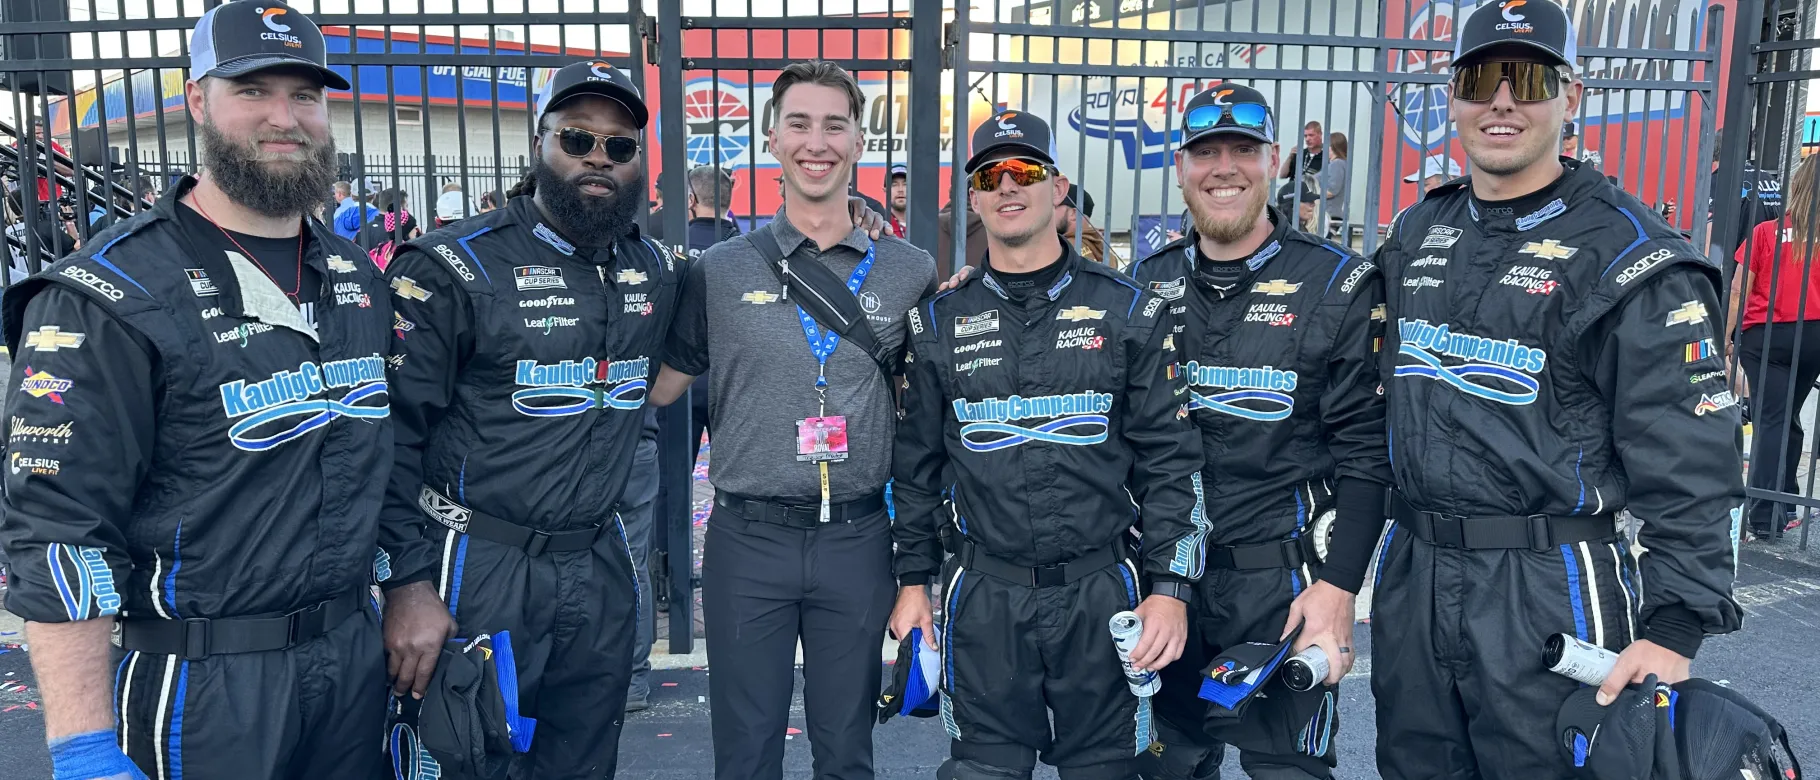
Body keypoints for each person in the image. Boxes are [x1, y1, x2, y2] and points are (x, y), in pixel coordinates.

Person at [0, 3, 394, 777]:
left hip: (351, 667)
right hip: (202, 685)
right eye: (253, 90)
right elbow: (56, 530)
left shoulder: (357, 278)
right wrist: (81, 745)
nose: (285, 118)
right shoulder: (105, 293)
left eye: (305, 95)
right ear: (196, 101)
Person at [1370, 4, 1744, 779]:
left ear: (1572, 95)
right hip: (1414, 574)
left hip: (1548, 586)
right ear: (1453, 95)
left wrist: (1673, 629)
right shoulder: (1417, 232)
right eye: (1481, 79)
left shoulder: (1632, 255)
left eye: (1529, 78)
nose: (1502, 101)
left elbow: (1693, 461)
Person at [377, 60, 679, 777]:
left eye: (619, 145)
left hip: (598, 565)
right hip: (478, 566)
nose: (598, 158)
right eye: (577, 139)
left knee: (582, 762)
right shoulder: (449, 267)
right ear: (538, 144)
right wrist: (406, 585)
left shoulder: (660, 271)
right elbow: (385, 442)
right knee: (468, 761)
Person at [889, 107, 1204, 780]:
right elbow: (914, 471)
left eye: (1024, 171)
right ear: (974, 196)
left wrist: (1171, 589)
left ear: (1057, 187)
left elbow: (1172, 466)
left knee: (1106, 770)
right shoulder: (938, 321)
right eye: (990, 174)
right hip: (986, 595)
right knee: (981, 770)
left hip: (1101, 594)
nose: (1008, 186)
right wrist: (913, 583)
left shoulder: (1131, 311)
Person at [649, 60, 937, 780]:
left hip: (859, 541)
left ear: (859, 142)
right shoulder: (715, 271)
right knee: (745, 755)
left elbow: (926, 416)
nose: (818, 141)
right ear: (772, 138)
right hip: (748, 540)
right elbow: (655, 389)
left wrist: (918, 570)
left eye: (835, 125)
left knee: (847, 752)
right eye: (800, 123)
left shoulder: (910, 271)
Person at [1127, 83, 1388, 780]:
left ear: (1273, 160)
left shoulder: (1337, 282)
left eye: (1242, 149)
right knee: (1165, 769)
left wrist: (1338, 588)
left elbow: (1368, 454)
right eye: (1205, 151)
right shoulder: (1141, 285)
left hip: (1282, 589)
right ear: (1180, 167)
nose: (1223, 167)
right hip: (1167, 585)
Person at [1727, 153, 1820, 543]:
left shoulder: (1766, 232)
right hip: (1813, 335)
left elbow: (1737, 292)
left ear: (1796, 188)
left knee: (1771, 421)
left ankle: (1764, 513)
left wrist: (1725, 339)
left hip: (1766, 336)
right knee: (1789, 418)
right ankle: (1788, 501)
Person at [358, 188, 418, 268]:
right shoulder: (397, 232)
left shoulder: (363, 230)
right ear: (398, 208)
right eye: (406, 206)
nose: (407, 210)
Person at [1318, 131, 1350, 241]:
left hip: (1329, 214)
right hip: (1328, 214)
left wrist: (1310, 194)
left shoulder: (1337, 164)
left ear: (1332, 147)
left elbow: (1332, 190)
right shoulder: (1336, 164)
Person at [888, 163, 909, 239]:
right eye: (894, 185)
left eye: (905, 184)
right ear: (885, 190)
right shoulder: (880, 224)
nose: (900, 190)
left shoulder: (926, 224)